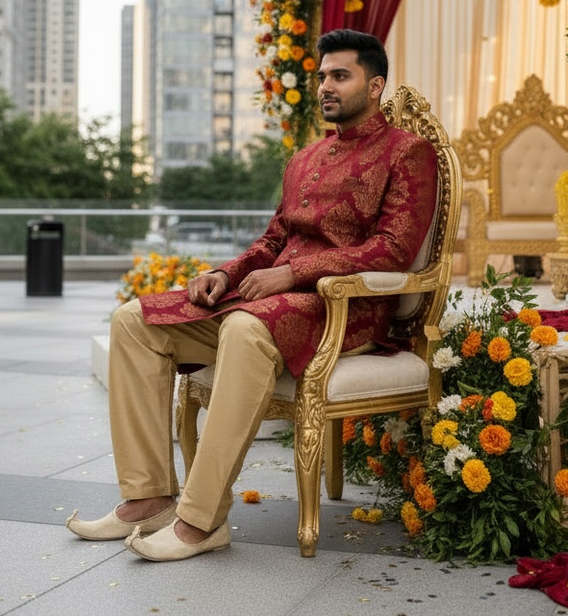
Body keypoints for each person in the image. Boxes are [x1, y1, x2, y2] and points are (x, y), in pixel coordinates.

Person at [66, 29, 438, 561]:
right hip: (269, 301)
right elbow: (272, 241)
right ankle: (148, 497)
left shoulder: (408, 152)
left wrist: (294, 275)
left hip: (346, 309)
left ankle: (202, 520)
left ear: (374, 85)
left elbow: (394, 249)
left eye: (340, 76)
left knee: (244, 326)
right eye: (321, 77)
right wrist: (225, 272)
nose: (325, 87)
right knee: (133, 320)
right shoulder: (305, 159)